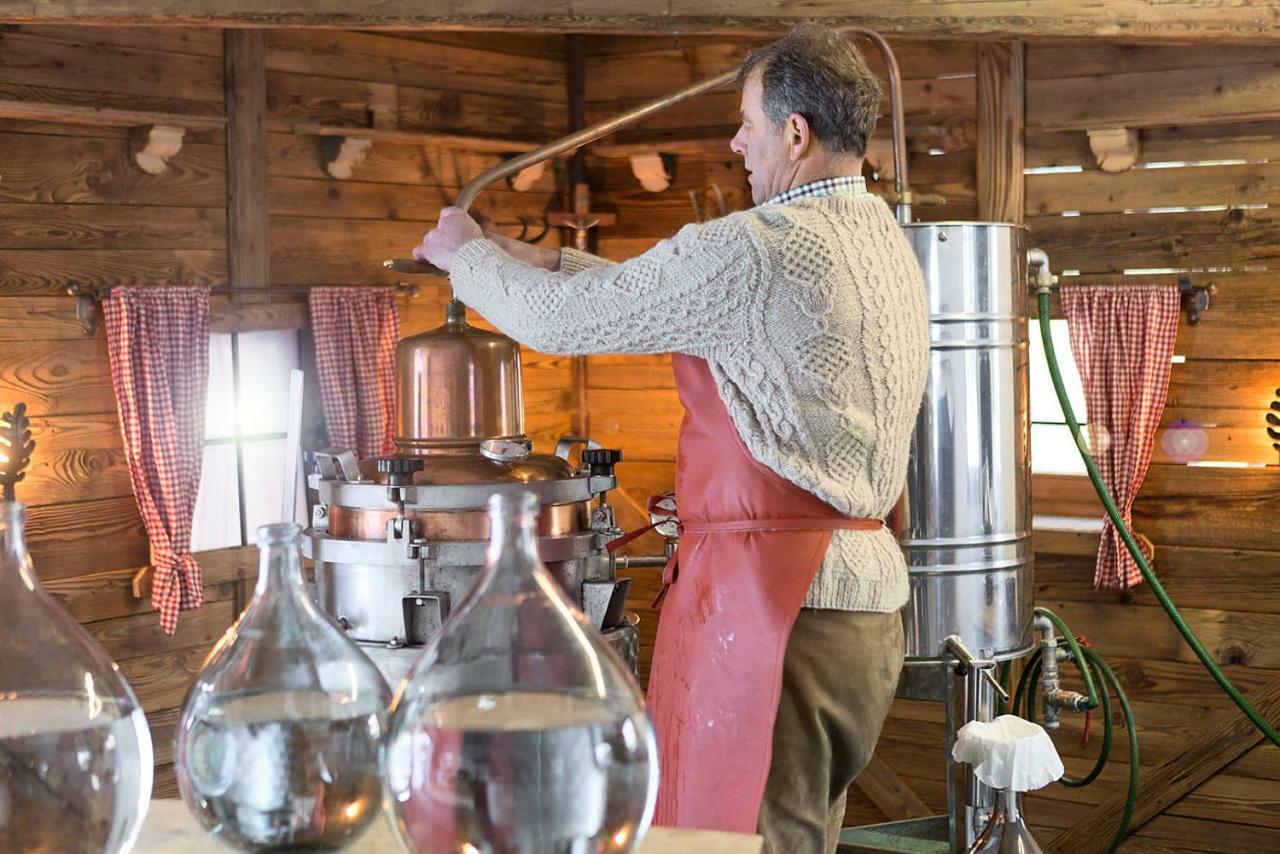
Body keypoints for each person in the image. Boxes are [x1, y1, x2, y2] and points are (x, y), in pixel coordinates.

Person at [414, 23, 929, 854]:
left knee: (749, 846)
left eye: (748, 124)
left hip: (782, 610)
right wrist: (520, 257)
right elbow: (645, 293)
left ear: (795, 133)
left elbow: (569, 324)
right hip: (862, 612)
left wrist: (467, 261)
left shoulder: (762, 248)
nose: (737, 142)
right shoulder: (880, 242)